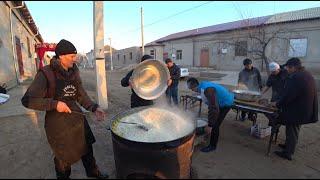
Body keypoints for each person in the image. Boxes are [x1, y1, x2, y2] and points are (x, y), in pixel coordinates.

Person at [21, 39, 108, 179]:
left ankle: (93, 171)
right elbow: (27, 100)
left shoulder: (74, 71)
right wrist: (55, 104)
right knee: (63, 156)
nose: (75, 59)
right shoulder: (46, 74)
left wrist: (94, 107)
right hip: (57, 122)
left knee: (87, 146)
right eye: (72, 57)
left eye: (75, 56)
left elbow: (80, 94)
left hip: (76, 115)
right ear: (61, 56)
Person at [273, 58, 318, 160]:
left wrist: (278, 103)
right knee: (293, 129)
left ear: (293, 67)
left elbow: (289, 95)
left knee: (292, 130)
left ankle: (288, 153)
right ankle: (288, 145)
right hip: (303, 108)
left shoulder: (296, 77)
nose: (287, 70)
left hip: (298, 109)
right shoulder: (305, 74)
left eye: (288, 68)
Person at [187, 77, 234, 152]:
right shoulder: (203, 85)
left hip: (226, 103)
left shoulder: (208, 90)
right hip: (220, 102)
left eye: (191, 88)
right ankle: (212, 134)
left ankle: (212, 146)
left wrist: (210, 125)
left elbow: (214, 108)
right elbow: (211, 105)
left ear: (193, 87)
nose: (191, 90)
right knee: (213, 119)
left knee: (215, 125)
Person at [261, 62, 288, 126]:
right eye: (272, 72)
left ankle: (276, 124)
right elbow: (267, 86)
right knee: (270, 111)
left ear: (278, 69)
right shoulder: (272, 76)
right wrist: (260, 94)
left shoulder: (285, 73)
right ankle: (272, 125)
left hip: (283, 97)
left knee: (279, 113)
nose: (272, 73)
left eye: (274, 72)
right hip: (274, 96)